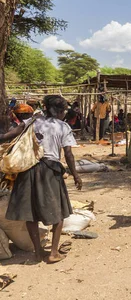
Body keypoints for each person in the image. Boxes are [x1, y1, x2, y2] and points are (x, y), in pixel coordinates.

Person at [0, 95, 82, 263]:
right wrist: (76, 175)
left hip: (28, 170)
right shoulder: (63, 127)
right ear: (59, 111)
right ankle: (53, 253)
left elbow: (8, 136)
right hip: (50, 171)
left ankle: (37, 252)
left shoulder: (31, 122)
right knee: (58, 212)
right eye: (63, 111)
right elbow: (68, 154)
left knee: (31, 213)